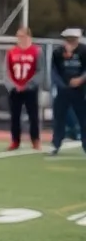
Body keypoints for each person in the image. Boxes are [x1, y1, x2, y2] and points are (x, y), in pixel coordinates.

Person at [49, 26, 86, 155]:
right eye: (69, 39)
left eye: (74, 39)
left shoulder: (84, 51)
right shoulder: (58, 52)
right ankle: (55, 144)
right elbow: (54, 71)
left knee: (83, 118)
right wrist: (61, 85)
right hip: (63, 91)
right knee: (59, 118)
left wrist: (80, 79)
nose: (71, 41)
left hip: (80, 91)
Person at [4, 26, 41, 150]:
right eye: (18, 37)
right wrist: (13, 86)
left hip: (30, 89)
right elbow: (7, 71)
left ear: (29, 37)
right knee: (15, 116)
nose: (20, 39)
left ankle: (35, 140)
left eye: (23, 36)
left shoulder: (36, 51)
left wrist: (28, 85)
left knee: (33, 115)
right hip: (15, 89)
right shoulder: (11, 52)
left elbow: (40, 71)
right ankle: (15, 140)